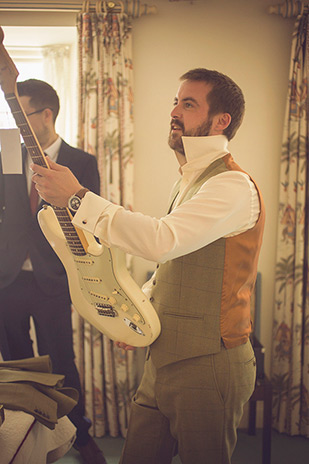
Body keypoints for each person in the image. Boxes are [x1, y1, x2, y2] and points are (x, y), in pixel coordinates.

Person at [31, 69, 265, 464]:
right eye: (175, 101)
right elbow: (173, 265)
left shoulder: (232, 186)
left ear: (221, 120)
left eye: (188, 104)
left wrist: (77, 198)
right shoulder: (189, 182)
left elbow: (159, 241)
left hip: (209, 363)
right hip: (162, 357)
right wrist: (136, 313)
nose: (174, 111)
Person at [0, 79, 107, 464]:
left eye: (22, 113)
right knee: (16, 363)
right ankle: (25, 440)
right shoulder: (6, 153)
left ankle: (80, 436)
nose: (16, 122)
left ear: (46, 115)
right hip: (8, 279)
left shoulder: (81, 163)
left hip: (55, 281)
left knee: (61, 360)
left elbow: (89, 222)